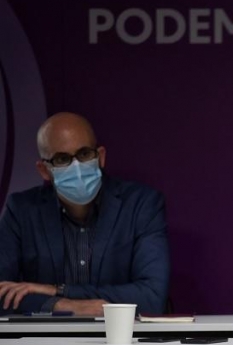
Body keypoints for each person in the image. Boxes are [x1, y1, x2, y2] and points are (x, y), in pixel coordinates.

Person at [0, 112, 170, 316]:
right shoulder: (21, 210)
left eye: (84, 155)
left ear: (101, 157)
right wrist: (63, 305)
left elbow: (152, 297)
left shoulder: (140, 205)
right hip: (46, 342)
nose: (77, 167)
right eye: (62, 159)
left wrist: (59, 290)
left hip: (123, 341)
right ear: (44, 170)